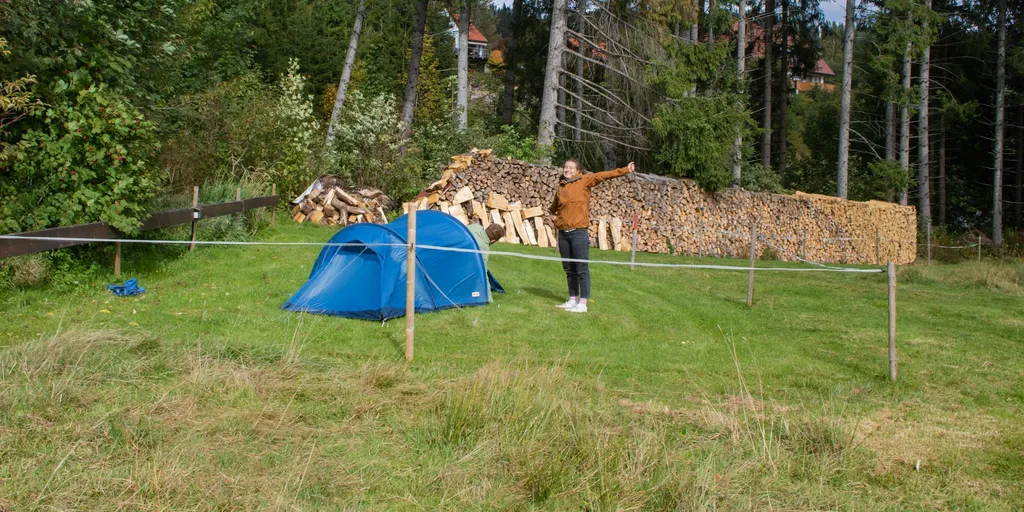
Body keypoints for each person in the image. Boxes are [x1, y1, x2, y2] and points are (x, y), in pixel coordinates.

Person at [548, 159, 634, 313]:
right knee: (569, 269)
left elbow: (605, 175)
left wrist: (625, 170)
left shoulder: (584, 180)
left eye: (570, 167)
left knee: (581, 268)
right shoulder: (561, 186)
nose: (567, 169)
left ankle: (583, 303)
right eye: (565, 167)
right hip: (563, 233)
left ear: (578, 170)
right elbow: (556, 204)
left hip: (578, 232)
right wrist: (551, 212)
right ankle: (572, 299)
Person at [467, 221, 506, 301]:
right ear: (493, 241)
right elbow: (482, 272)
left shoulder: (475, 226)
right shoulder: (483, 248)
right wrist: (488, 298)